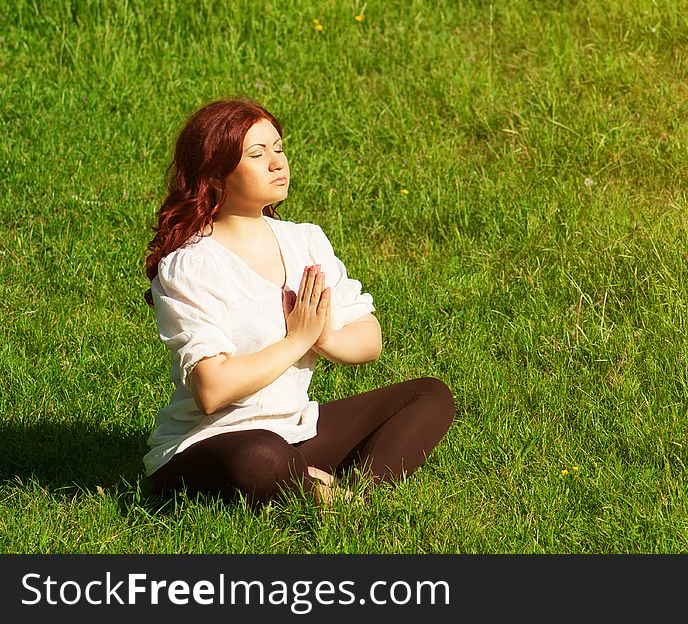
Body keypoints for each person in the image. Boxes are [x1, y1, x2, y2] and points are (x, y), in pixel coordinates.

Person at [142, 98, 455, 506]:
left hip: (295, 430)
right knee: (260, 456)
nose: (277, 163)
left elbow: (370, 338)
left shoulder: (304, 240)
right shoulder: (192, 263)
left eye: (279, 147)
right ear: (216, 174)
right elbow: (211, 389)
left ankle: (352, 498)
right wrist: (296, 340)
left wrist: (324, 336)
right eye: (257, 154)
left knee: (430, 396)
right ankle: (319, 492)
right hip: (210, 446)